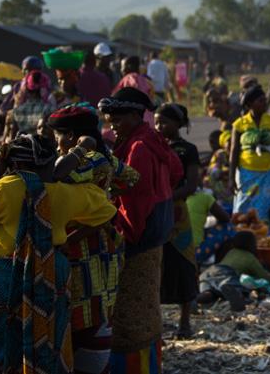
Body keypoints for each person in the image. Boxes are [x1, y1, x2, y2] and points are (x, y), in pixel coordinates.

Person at [0, 134, 117, 373]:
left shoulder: (6, 187)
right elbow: (106, 210)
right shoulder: (65, 192)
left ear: (14, 164)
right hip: (52, 271)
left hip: (7, 275)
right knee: (49, 336)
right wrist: (68, 238)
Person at [48, 104, 139, 374]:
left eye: (58, 135)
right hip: (101, 241)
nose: (55, 141)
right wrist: (107, 194)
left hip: (80, 244)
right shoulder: (105, 158)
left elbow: (57, 174)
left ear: (71, 136)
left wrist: (80, 150)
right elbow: (131, 177)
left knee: (83, 305)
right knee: (96, 304)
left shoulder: (86, 160)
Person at [98, 87, 183, 372]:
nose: (112, 126)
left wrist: (122, 236)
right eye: (109, 121)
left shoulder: (138, 148)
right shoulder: (153, 139)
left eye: (117, 120)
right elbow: (176, 171)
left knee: (131, 314)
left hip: (139, 238)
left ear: (135, 116)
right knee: (148, 307)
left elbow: (135, 200)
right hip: (156, 235)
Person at [154, 103, 201, 339]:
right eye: (156, 122)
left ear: (178, 124)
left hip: (177, 213)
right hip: (155, 211)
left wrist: (165, 197)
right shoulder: (153, 147)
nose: (159, 126)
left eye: (164, 122)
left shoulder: (188, 150)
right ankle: (156, 323)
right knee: (156, 264)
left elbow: (191, 185)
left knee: (183, 263)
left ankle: (184, 323)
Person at [230, 85, 270, 224]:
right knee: (243, 207)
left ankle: (263, 234)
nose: (265, 103)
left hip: (269, 173)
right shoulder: (239, 124)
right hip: (246, 173)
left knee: (264, 209)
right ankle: (243, 233)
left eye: (265, 100)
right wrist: (231, 178)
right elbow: (234, 151)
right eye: (260, 101)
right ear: (250, 104)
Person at [198, 231, 270, 312]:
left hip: (208, 273)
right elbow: (265, 277)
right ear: (251, 245)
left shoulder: (231, 252)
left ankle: (196, 300)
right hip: (226, 273)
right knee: (239, 288)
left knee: (211, 293)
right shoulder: (250, 257)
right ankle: (237, 295)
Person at [4, 69, 55, 138]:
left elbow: (12, 135)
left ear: (27, 89)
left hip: (22, 143)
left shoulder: (15, 112)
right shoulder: (49, 110)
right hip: (41, 144)